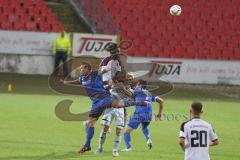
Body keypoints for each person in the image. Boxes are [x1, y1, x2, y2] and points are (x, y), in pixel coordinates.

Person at [62, 62, 147, 154]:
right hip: (95, 102)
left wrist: (112, 69)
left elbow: (104, 69)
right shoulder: (82, 78)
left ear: (87, 69)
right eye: (80, 68)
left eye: (82, 68)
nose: (80, 70)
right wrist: (66, 82)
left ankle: (139, 103)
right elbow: (78, 81)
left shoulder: (94, 73)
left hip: (103, 97)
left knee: (116, 104)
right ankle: (87, 146)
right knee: (90, 123)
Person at [95, 71, 133, 157]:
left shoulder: (129, 88)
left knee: (118, 132)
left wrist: (123, 89)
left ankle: (115, 151)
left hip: (120, 111)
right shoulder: (115, 83)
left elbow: (131, 96)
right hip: (110, 109)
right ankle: (100, 148)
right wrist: (108, 86)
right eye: (129, 78)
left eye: (132, 79)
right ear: (125, 78)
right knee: (104, 129)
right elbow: (103, 89)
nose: (130, 80)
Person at [122, 79, 164, 151]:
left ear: (140, 85)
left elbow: (130, 100)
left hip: (140, 113)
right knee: (144, 128)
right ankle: (148, 139)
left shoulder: (137, 91)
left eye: (137, 84)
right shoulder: (149, 93)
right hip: (149, 114)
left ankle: (128, 148)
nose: (136, 86)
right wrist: (159, 114)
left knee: (127, 131)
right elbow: (161, 101)